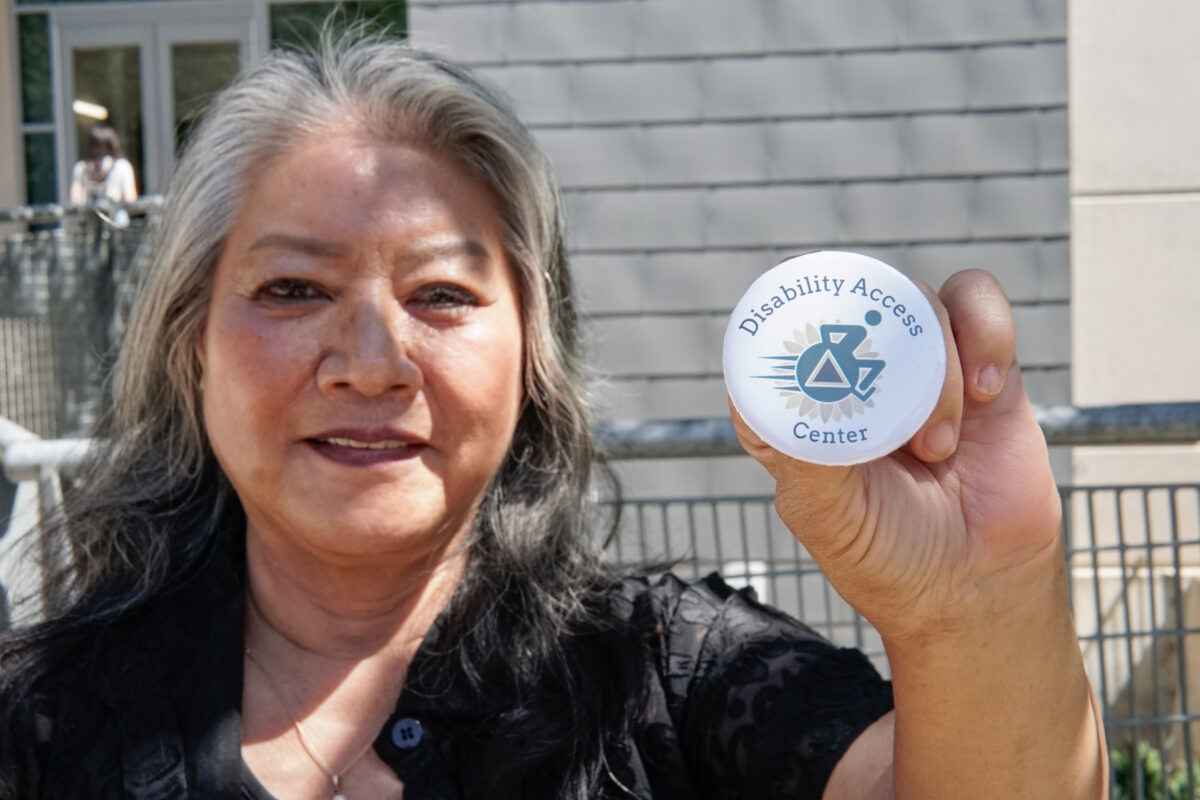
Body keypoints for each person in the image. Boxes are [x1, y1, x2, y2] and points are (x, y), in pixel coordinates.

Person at [0, 32, 1106, 800]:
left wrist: (977, 608)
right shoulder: (41, 723)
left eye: (442, 295)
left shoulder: (669, 677)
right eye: (294, 289)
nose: (374, 363)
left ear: (534, 353)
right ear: (190, 340)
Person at [68, 124, 138, 206]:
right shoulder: (81, 168)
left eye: (106, 147)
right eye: (97, 147)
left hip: (114, 215)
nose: (101, 151)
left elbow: (130, 198)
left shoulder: (121, 166)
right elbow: (75, 200)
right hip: (89, 214)